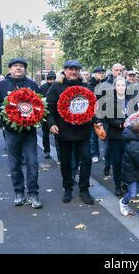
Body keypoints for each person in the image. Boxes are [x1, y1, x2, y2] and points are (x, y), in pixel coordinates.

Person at [0, 58, 42, 208]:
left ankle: (33, 193)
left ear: (24, 69)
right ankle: (19, 192)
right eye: (15, 66)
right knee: (14, 163)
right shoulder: (1, 85)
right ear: (10, 69)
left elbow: (39, 104)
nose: (18, 68)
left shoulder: (32, 85)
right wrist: (7, 109)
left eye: (21, 66)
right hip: (11, 131)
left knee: (32, 162)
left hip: (29, 131)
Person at [47, 60, 101, 205]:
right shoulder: (56, 87)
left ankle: (84, 189)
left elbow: (92, 107)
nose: (73, 72)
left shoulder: (86, 86)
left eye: (76, 69)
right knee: (65, 162)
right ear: (64, 70)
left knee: (86, 160)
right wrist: (51, 124)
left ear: (79, 71)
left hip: (83, 131)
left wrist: (97, 121)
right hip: (63, 131)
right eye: (70, 69)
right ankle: (68, 188)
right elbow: (49, 108)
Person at [104, 76, 137, 196]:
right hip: (116, 136)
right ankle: (117, 183)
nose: (121, 87)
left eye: (123, 85)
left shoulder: (131, 99)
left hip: (129, 135)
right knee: (117, 162)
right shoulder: (109, 100)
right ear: (114, 87)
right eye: (118, 85)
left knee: (128, 161)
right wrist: (121, 124)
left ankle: (126, 182)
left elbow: (136, 113)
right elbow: (108, 118)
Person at [89, 67, 106, 163]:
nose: (101, 74)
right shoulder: (90, 85)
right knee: (93, 136)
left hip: (105, 112)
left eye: (102, 73)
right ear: (94, 74)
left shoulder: (106, 84)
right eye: (99, 73)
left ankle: (106, 155)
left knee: (105, 134)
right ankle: (94, 154)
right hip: (94, 113)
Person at [39, 70, 57, 158]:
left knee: (57, 135)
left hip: (55, 113)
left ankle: (59, 153)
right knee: (45, 134)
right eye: (50, 79)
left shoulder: (57, 86)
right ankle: (47, 151)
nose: (52, 81)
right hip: (45, 113)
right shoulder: (43, 87)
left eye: (54, 79)